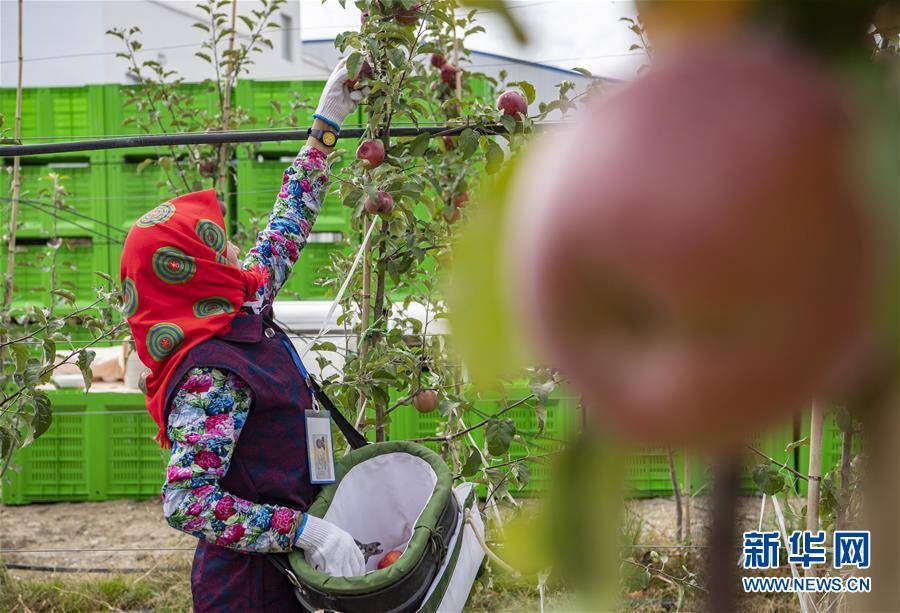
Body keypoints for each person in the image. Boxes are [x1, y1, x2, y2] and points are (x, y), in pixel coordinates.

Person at [120, 62, 368, 612]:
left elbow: (284, 228)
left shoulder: (239, 304)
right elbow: (188, 501)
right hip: (250, 593)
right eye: (218, 245)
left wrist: (328, 123)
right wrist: (304, 531)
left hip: (292, 575)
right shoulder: (211, 375)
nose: (235, 248)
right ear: (195, 272)